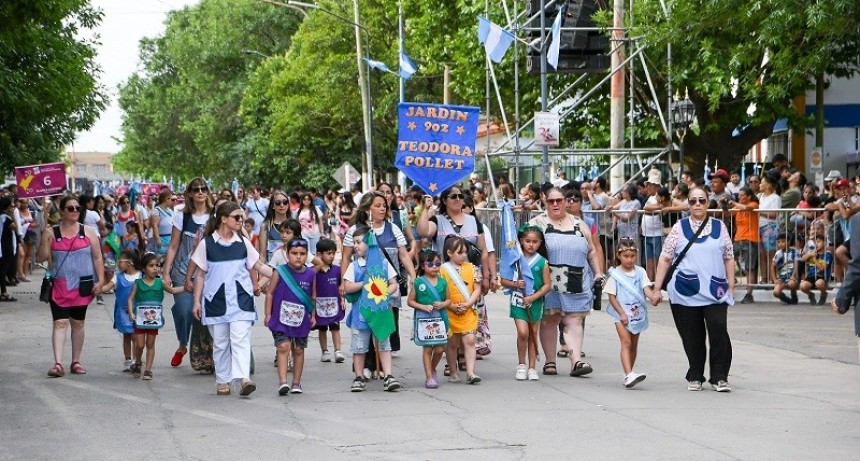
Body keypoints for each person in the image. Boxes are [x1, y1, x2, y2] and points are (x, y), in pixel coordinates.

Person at [651, 187, 735, 393]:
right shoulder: (679, 228)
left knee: (718, 329)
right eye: (693, 201)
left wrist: (731, 285)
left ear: (708, 203)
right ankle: (696, 373)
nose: (698, 204)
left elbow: (728, 256)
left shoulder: (719, 226)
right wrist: (657, 288)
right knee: (691, 334)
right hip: (685, 290)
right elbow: (665, 258)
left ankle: (720, 376)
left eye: (702, 200)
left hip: (715, 290)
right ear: (687, 204)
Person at [191, 201, 271, 397]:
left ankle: (243, 378)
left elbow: (259, 266)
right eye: (237, 217)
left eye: (242, 217)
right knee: (220, 343)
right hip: (215, 300)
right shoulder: (207, 244)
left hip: (241, 299)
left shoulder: (243, 242)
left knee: (240, 339)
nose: (241, 221)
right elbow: (200, 275)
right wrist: (196, 301)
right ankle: (223, 380)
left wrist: (282, 274)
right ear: (223, 219)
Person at [529, 187, 605, 377]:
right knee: (549, 319)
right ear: (545, 202)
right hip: (548, 279)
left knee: (574, 319)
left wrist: (598, 273)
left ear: (564, 202)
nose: (555, 204)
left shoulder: (579, 224)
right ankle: (550, 362)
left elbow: (592, 251)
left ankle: (576, 360)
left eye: (559, 200)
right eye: (551, 201)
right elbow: (525, 250)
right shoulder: (537, 223)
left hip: (576, 278)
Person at [342, 192, 416, 359]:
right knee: (363, 325)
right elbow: (346, 257)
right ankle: (365, 365)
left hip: (387, 286)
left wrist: (413, 276)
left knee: (384, 326)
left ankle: (383, 366)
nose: (382, 208)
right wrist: (343, 283)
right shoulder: (355, 230)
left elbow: (403, 255)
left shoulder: (393, 228)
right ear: (368, 208)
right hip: (363, 287)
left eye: (384, 205)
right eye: (378, 205)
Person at [38, 196, 106, 377]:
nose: (75, 211)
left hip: (83, 285)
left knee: (78, 323)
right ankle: (58, 363)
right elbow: (41, 258)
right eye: (70, 208)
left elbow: (98, 257)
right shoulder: (52, 232)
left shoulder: (89, 232)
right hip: (60, 285)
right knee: (60, 323)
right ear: (62, 211)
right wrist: (45, 238)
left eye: (77, 208)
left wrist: (100, 280)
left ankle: (76, 361)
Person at [343, 225, 401, 392]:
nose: (355, 245)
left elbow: (393, 284)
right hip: (361, 314)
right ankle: (359, 376)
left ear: (370, 243)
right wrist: (365, 284)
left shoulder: (383, 264)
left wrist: (385, 293)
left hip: (381, 311)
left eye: (359, 242)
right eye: (354, 242)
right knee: (359, 347)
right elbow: (347, 286)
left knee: (384, 343)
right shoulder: (354, 266)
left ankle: (389, 375)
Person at [163, 178, 213, 369]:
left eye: (203, 188)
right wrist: (166, 272)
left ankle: (205, 354)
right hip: (182, 271)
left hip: (207, 272)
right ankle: (183, 344)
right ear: (190, 193)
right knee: (184, 310)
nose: (200, 192)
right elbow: (173, 246)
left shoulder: (214, 215)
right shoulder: (181, 215)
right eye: (196, 189)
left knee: (205, 315)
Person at [264, 238, 315, 396]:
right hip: (280, 318)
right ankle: (283, 381)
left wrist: (313, 315)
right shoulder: (279, 272)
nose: (298, 257)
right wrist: (268, 314)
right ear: (287, 254)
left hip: (301, 319)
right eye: (294, 253)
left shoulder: (311, 274)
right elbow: (270, 293)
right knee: (283, 346)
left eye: (302, 254)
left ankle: (296, 382)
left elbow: (313, 296)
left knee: (298, 349)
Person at [499, 225, 550, 382]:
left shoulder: (543, 262)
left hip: (534, 302)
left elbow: (547, 285)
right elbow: (503, 280)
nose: (531, 245)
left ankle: (532, 367)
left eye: (535, 242)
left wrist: (533, 298)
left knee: (532, 334)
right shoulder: (516, 260)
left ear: (540, 243)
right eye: (527, 241)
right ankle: (521, 364)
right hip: (518, 301)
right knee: (523, 332)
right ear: (521, 241)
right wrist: (515, 284)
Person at [605, 238, 654, 388]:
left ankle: (629, 372)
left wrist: (653, 297)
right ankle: (628, 374)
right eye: (626, 256)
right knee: (626, 342)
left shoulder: (640, 272)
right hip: (620, 314)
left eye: (632, 256)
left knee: (633, 344)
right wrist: (621, 313)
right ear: (619, 256)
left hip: (637, 314)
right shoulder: (615, 274)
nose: (629, 259)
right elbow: (611, 297)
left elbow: (646, 288)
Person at [128, 253, 182, 380]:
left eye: (157, 265)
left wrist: (187, 287)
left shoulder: (160, 282)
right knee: (140, 344)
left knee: (150, 343)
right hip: (140, 319)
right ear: (143, 268)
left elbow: (173, 290)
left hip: (153, 320)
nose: (155, 268)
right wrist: (131, 313)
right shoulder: (138, 283)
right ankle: (138, 362)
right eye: (151, 266)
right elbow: (130, 299)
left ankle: (148, 369)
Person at [440, 236, 483, 384]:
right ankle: (453, 372)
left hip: (467, 310)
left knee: (469, 340)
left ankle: (470, 372)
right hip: (450, 311)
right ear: (450, 253)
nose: (464, 255)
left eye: (465, 252)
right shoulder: (443, 270)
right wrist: (451, 305)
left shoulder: (472, 268)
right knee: (451, 344)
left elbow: (477, 289)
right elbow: (440, 291)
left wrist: (469, 303)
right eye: (460, 252)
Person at [408, 249, 451, 389]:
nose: (434, 267)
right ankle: (429, 376)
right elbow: (410, 301)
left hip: (440, 319)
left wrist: (443, 304)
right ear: (422, 266)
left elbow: (449, 300)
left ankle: (432, 369)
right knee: (427, 349)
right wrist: (422, 306)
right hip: (424, 319)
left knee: (439, 349)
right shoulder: (418, 282)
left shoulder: (443, 282)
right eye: (430, 264)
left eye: (438, 264)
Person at [100, 250, 141, 373]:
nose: (118, 263)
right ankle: (129, 360)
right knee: (127, 336)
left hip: (137, 311)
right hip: (122, 312)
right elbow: (107, 287)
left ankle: (136, 360)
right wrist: (97, 289)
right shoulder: (117, 277)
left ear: (130, 263)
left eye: (120, 261)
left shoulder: (141, 276)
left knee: (135, 336)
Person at [313, 239, 345, 364]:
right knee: (322, 329)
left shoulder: (337, 270)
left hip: (334, 304)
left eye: (333, 253)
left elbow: (341, 286)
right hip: (319, 305)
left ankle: (338, 351)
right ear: (319, 254)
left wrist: (342, 299)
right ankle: (325, 351)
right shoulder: (314, 271)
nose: (332, 256)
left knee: (335, 328)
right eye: (328, 253)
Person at [729, 187, 760, 303]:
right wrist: (724, 204)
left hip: (751, 239)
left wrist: (734, 203)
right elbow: (728, 213)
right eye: (739, 195)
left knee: (749, 268)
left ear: (749, 196)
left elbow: (748, 208)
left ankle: (749, 293)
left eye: (742, 195)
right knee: (727, 260)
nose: (740, 197)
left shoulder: (754, 203)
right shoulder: (737, 206)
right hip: (738, 239)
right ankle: (731, 283)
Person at [258, 190, 291, 265]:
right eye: (278, 203)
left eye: (285, 202)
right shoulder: (266, 226)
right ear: (272, 206)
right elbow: (262, 255)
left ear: (288, 204)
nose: (282, 205)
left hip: (291, 271)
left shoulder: (294, 224)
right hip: (272, 269)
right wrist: (260, 276)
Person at [799, 234, 832, 305]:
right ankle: (810, 294)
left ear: (825, 243)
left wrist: (814, 259)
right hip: (811, 276)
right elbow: (802, 259)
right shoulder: (812, 253)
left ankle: (823, 294)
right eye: (815, 242)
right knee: (803, 286)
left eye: (819, 242)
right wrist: (810, 255)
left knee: (819, 283)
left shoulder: (828, 255)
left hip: (822, 277)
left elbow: (821, 269)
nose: (816, 244)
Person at [771, 234, 799, 304]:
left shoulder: (794, 251)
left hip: (791, 275)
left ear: (789, 242)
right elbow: (772, 266)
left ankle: (794, 296)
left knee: (791, 284)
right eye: (779, 242)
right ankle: (787, 299)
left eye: (783, 241)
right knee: (776, 292)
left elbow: (796, 264)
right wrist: (775, 279)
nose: (781, 244)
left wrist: (793, 276)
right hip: (782, 277)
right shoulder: (778, 253)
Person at [149, 191, 175, 261]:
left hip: (170, 240)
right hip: (162, 240)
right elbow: (155, 225)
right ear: (166, 199)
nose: (172, 201)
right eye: (171, 199)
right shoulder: (157, 210)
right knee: (160, 260)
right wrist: (158, 239)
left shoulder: (170, 210)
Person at [297, 193, 324, 259]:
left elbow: (320, 221)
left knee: (313, 252)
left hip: (315, 233)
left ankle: (313, 267)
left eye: (308, 199)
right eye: (305, 199)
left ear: (311, 201)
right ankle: (307, 266)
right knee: (306, 250)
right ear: (302, 200)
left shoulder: (316, 209)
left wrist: (322, 233)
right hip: (303, 233)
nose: (306, 201)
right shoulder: (299, 210)